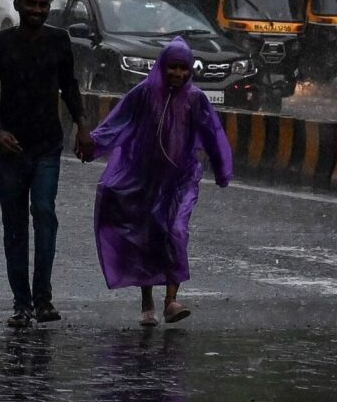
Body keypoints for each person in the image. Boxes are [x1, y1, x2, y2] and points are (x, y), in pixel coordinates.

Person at [87, 38, 233, 326]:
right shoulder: (143, 94)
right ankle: (147, 301)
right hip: (145, 177)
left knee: (175, 231)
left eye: (183, 69)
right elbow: (117, 123)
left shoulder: (196, 99)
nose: (177, 74)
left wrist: (221, 168)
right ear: (162, 67)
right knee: (147, 235)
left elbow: (212, 134)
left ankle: (171, 300)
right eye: (172, 68)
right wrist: (91, 145)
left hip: (181, 179)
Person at [0, 0, 94, 328]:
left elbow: (69, 86)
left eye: (43, 5)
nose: (37, 11)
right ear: (18, 6)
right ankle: (21, 303)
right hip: (11, 151)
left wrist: (81, 124)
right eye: (31, 4)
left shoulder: (59, 42)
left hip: (47, 145)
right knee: (14, 227)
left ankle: (43, 299)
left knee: (44, 214)